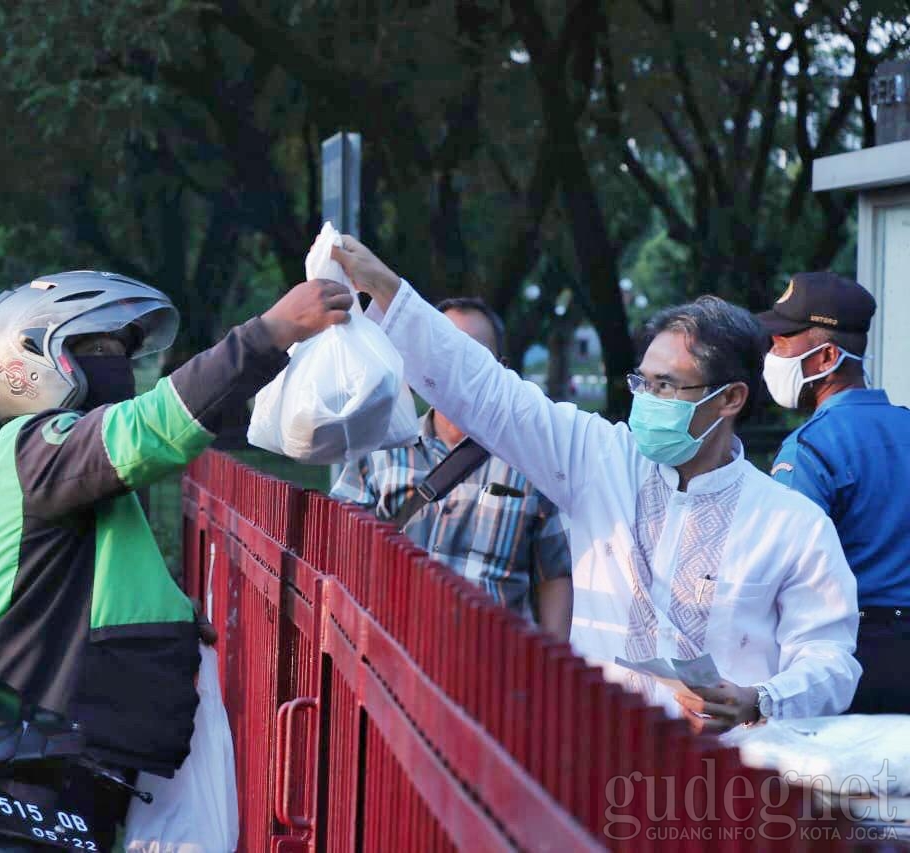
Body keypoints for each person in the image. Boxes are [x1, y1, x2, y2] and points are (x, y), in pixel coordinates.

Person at [330, 236, 860, 734]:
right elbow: (486, 391)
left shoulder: (791, 525)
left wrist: (759, 698)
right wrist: (386, 289)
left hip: (719, 785)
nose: (646, 399)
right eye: (642, 381)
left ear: (730, 399)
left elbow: (831, 660)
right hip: (592, 760)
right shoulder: (598, 459)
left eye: (666, 386)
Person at [0, 271, 351, 838]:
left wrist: (174, 623)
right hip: (15, 743)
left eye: (121, 352)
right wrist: (270, 332)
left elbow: (96, 577)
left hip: (54, 743)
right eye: (96, 349)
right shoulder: (37, 445)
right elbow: (153, 429)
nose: (115, 365)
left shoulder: (63, 463)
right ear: (32, 360)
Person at [331, 297, 573, 640]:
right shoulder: (379, 451)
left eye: (473, 355)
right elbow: (339, 548)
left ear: (500, 369)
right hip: (392, 659)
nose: (458, 367)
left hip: (494, 669)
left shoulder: (532, 462)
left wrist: (553, 667)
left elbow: (555, 572)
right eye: (445, 351)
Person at [759, 271, 910, 714]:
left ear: (825, 357)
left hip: (852, 659)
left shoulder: (810, 450)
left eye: (783, 341)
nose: (772, 353)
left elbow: (781, 571)